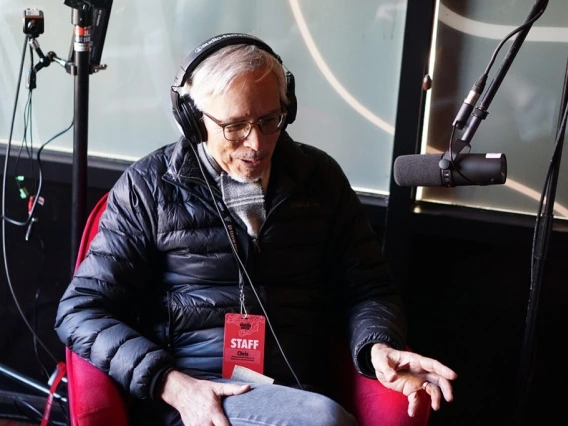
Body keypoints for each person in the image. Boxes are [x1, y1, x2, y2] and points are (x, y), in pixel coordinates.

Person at [55, 33, 457, 426]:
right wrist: (173, 385)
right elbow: (80, 311)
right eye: (234, 126)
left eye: (270, 120)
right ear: (193, 120)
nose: (257, 144)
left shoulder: (320, 179)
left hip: (297, 393)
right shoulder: (148, 187)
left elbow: (369, 288)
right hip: (195, 398)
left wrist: (376, 346)